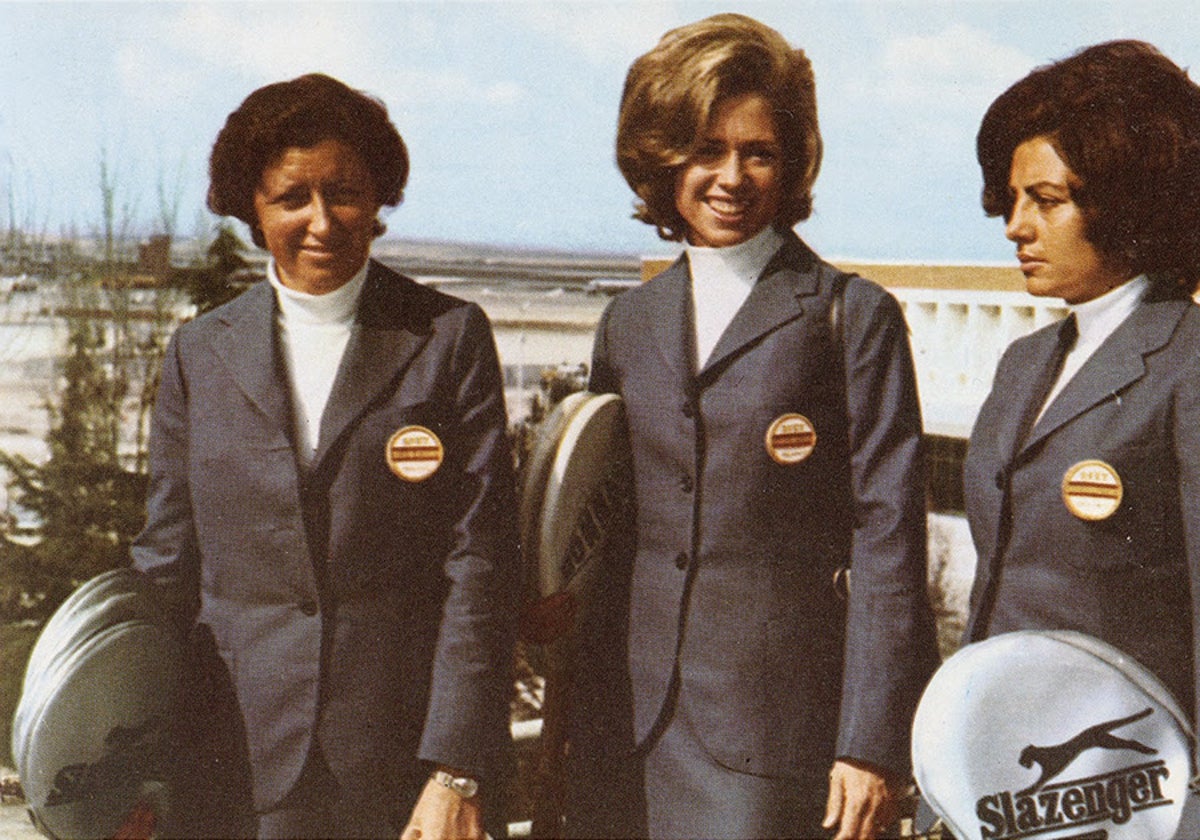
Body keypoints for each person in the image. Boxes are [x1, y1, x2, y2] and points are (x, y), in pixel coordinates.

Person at [567, 14, 938, 840]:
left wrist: (872, 745)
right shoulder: (627, 322)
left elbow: (890, 542)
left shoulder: (852, 316)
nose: (731, 176)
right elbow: (596, 524)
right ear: (663, 161)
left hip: (772, 736)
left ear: (793, 161)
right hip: (624, 723)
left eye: (758, 152)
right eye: (705, 150)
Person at [132, 73, 518, 840]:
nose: (321, 221)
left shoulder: (447, 339)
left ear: (379, 197)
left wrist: (457, 769)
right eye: (290, 198)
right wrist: (133, 760)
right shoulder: (199, 353)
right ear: (252, 208)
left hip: (403, 768)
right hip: (230, 761)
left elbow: (483, 566)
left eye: (343, 192)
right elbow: (165, 567)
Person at [963, 41, 1200, 734]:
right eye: (1010, 200)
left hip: (1132, 774)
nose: (1015, 227)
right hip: (1001, 750)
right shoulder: (1024, 362)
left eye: (1046, 200)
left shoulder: (1188, 361)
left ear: (1126, 205)